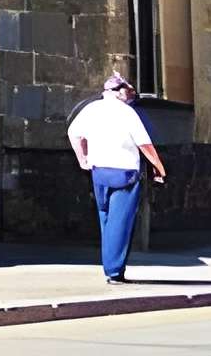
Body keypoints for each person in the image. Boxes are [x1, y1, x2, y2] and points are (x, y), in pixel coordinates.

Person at [67, 70, 167, 282]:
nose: (131, 95)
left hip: (99, 172)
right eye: (128, 90)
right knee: (120, 222)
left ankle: (110, 266)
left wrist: (82, 158)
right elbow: (144, 143)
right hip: (124, 171)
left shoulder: (90, 109)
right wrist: (158, 166)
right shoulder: (126, 113)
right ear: (118, 92)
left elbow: (74, 133)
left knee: (106, 219)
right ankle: (114, 271)